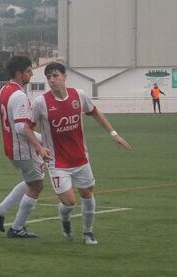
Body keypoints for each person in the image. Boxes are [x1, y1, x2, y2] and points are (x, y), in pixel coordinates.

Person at [30, 63, 131, 244]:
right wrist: (39, 147)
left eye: (55, 76)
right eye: (48, 78)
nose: (52, 80)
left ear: (64, 76)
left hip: (80, 158)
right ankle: (65, 220)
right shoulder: (41, 102)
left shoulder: (79, 95)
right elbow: (26, 128)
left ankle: (88, 232)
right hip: (57, 161)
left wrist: (113, 134)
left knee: (87, 194)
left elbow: (95, 112)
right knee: (69, 202)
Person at [0, 56, 50, 239]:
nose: (31, 74)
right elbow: (22, 128)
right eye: (28, 71)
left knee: (31, 181)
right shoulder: (19, 95)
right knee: (37, 185)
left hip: (10, 146)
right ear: (18, 74)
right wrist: (40, 144)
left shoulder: (6, 89)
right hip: (22, 148)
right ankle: (17, 228)